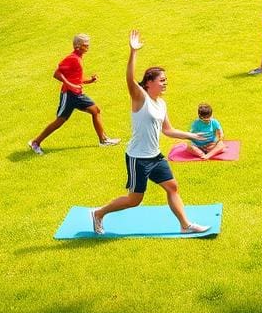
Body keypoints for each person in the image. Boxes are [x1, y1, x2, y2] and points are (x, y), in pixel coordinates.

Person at [91, 30, 210, 235]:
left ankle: (185, 225)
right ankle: (99, 214)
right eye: (162, 80)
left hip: (155, 156)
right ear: (149, 83)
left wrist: (192, 136)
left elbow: (168, 130)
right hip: (138, 158)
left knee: (172, 187)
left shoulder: (161, 103)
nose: (166, 82)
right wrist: (133, 52)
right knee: (134, 200)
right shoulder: (140, 98)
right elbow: (129, 79)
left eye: (166, 79)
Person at [29, 34, 120, 154]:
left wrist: (90, 81)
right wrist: (69, 84)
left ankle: (103, 140)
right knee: (59, 121)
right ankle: (35, 142)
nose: (88, 47)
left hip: (77, 94)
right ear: (78, 46)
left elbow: (76, 78)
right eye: (85, 45)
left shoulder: (78, 58)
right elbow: (57, 73)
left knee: (96, 110)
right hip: (69, 95)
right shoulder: (72, 58)